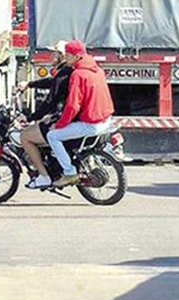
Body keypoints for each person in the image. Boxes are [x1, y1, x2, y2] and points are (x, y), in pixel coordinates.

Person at [48, 40, 115, 188]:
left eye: (68, 55)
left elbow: (73, 105)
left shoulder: (78, 74)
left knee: (52, 136)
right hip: (106, 120)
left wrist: (59, 124)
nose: (66, 58)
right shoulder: (97, 70)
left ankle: (69, 173)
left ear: (77, 56)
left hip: (92, 124)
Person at [17, 40, 73, 189]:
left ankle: (44, 176)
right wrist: (30, 84)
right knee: (42, 125)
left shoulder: (64, 73)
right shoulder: (65, 72)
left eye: (55, 53)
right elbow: (52, 82)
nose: (52, 56)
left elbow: (50, 102)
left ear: (62, 56)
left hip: (64, 116)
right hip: (66, 114)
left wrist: (30, 117)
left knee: (25, 137)